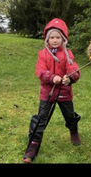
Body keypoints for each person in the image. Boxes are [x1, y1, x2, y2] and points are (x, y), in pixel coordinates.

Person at [23, 18, 81, 163]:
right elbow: (40, 70)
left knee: (70, 116)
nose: (55, 40)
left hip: (65, 92)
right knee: (40, 120)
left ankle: (73, 131)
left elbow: (73, 68)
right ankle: (33, 146)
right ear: (47, 39)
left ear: (63, 39)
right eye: (52, 37)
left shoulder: (68, 53)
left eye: (58, 37)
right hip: (47, 93)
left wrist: (70, 78)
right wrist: (51, 77)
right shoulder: (42, 54)